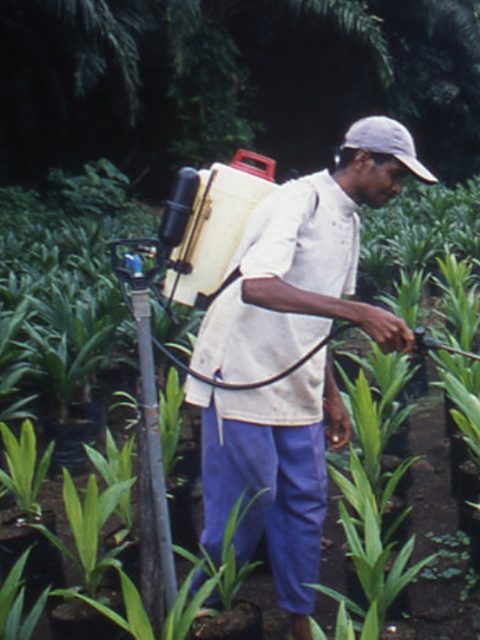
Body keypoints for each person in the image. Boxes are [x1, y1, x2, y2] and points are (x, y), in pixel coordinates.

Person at [184, 116, 436, 640]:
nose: (396, 188)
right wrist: (363, 314)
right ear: (362, 159)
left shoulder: (351, 221)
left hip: (294, 382)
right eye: (394, 174)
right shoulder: (297, 201)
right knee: (243, 509)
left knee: (305, 502)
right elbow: (258, 287)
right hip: (242, 377)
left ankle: (300, 620)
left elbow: (320, 316)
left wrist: (333, 397)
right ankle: (195, 615)